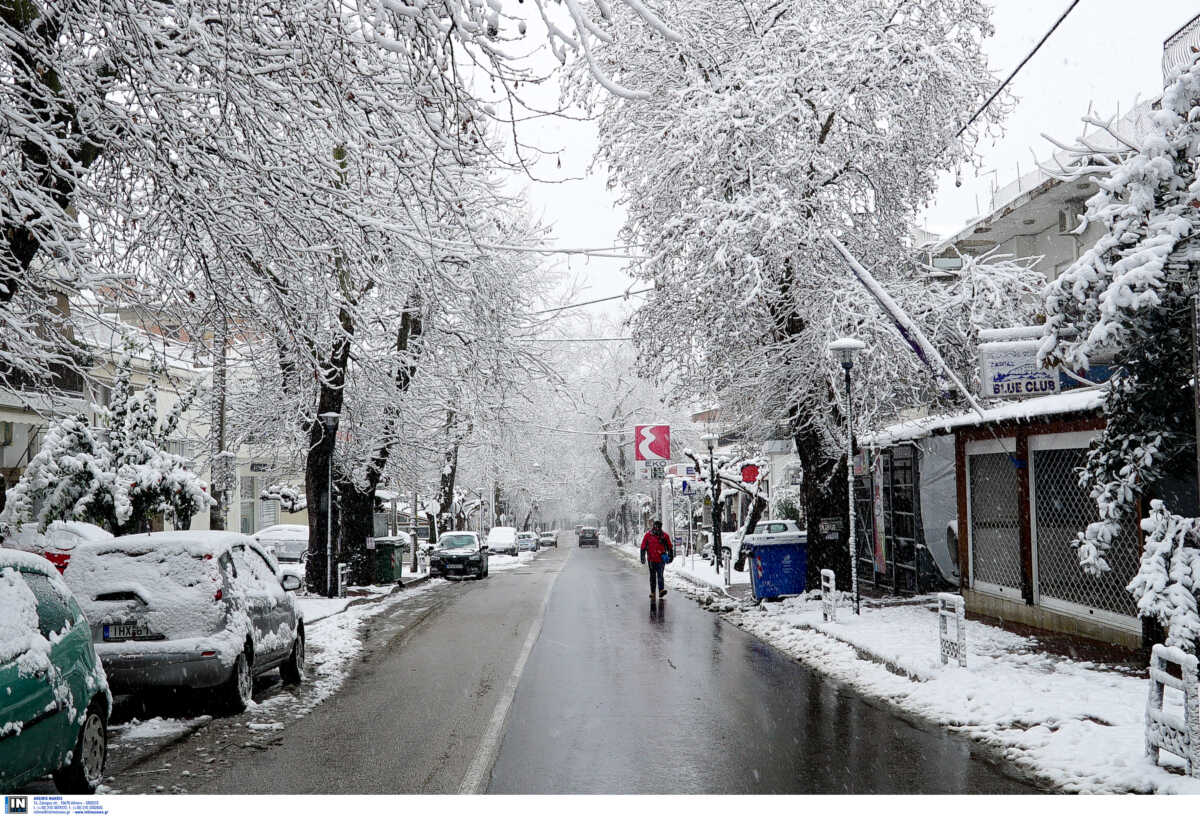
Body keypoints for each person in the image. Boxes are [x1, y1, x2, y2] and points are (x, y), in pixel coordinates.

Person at [640, 519, 674, 599]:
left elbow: (669, 546)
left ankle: (661, 591)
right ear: (654, 527)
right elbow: (643, 546)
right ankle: (652, 592)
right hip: (651, 560)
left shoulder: (665, 536)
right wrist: (642, 556)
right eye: (656, 527)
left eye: (659, 527)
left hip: (661, 560)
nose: (657, 529)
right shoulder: (648, 536)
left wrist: (671, 555)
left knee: (660, 576)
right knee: (652, 576)